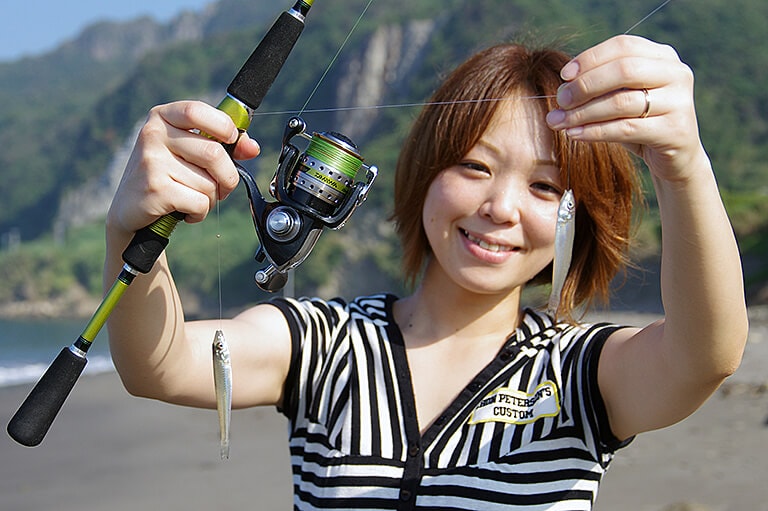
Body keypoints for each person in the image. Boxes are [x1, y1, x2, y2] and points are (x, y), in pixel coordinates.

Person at [105, 34, 748, 510]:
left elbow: (705, 356)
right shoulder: (324, 344)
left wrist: (682, 166)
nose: (500, 208)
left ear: (577, 220)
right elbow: (160, 365)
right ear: (424, 174)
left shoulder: (581, 372)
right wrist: (132, 230)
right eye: (474, 166)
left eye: (546, 187)